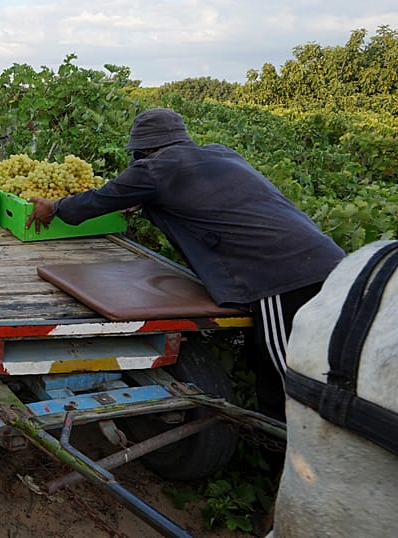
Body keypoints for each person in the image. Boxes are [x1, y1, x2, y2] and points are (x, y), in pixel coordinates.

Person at [27, 107, 345, 419]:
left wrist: (55, 207)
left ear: (147, 148)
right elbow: (203, 196)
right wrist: (146, 202)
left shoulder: (153, 169)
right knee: (329, 362)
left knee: (287, 374)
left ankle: (294, 455)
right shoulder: (222, 154)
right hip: (331, 263)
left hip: (280, 274)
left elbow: (98, 199)